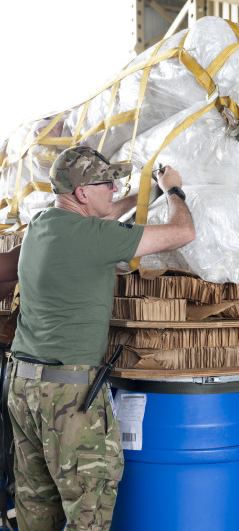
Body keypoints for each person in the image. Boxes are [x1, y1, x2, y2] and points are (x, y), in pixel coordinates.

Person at [7, 145, 195, 531]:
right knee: (88, 507)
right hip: (68, 397)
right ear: (80, 193)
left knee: (36, 509)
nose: (113, 189)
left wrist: (146, 193)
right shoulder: (95, 236)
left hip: (22, 386)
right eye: (106, 183)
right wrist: (174, 191)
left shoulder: (42, 225)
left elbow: (106, 209)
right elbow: (183, 233)